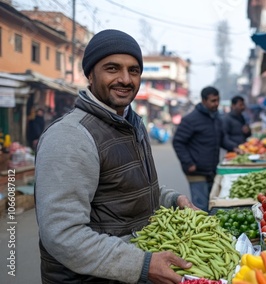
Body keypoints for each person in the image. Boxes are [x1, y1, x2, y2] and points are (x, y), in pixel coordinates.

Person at [35, 29, 198, 284]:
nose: (125, 79)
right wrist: (142, 264)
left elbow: (127, 189)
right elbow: (63, 235)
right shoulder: (70, 136)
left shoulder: (132, 124)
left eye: (134, 70)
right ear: (90, 74)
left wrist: (171, 199)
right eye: (112, 68)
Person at [173, 86, 239, 212]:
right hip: (196, 172)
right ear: (203, 101)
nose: (216, 104)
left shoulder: (216, 118)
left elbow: (222, 139)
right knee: (201, 209)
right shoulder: (191, 119)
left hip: (211, 171)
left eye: (217, 100)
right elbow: (178, 142)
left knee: (212, 206)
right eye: (213, 101)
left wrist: (234, 148)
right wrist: (188, 163)